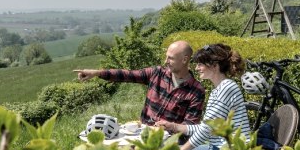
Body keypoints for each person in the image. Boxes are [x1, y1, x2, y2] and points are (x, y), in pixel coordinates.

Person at [159, 43, 250, 150]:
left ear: (214, 65)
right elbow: (207, 126)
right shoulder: (218, 90)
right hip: (218, 149)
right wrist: (174, 126)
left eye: (200, 64)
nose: (196, 68)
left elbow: (206, 130)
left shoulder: (227, 88)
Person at [74, 40, 205, 128]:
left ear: (184, 59)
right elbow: (127, 75)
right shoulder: (157, 73)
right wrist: (97, 73)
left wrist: (167, 129)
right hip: (142, 133)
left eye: (170, 58)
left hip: (168, 144)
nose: (166, 61)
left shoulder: (196, 91)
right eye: (166, 57)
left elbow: (189, 127)